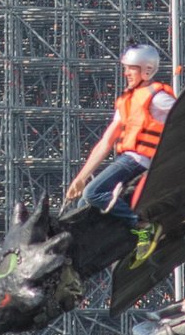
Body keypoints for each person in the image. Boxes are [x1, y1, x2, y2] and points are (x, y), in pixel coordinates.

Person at [65, 44, 175, 226]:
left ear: (147, 70)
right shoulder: (128, 100)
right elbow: (105, 142)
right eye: (126, 68)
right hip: (129, 159)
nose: (126, 73)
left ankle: (142, 224)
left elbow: (184, 116)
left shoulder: (159, 97)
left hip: (142, 162)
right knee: (84, 204)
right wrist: (81, 178)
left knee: (93, 193)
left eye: (131, 68)